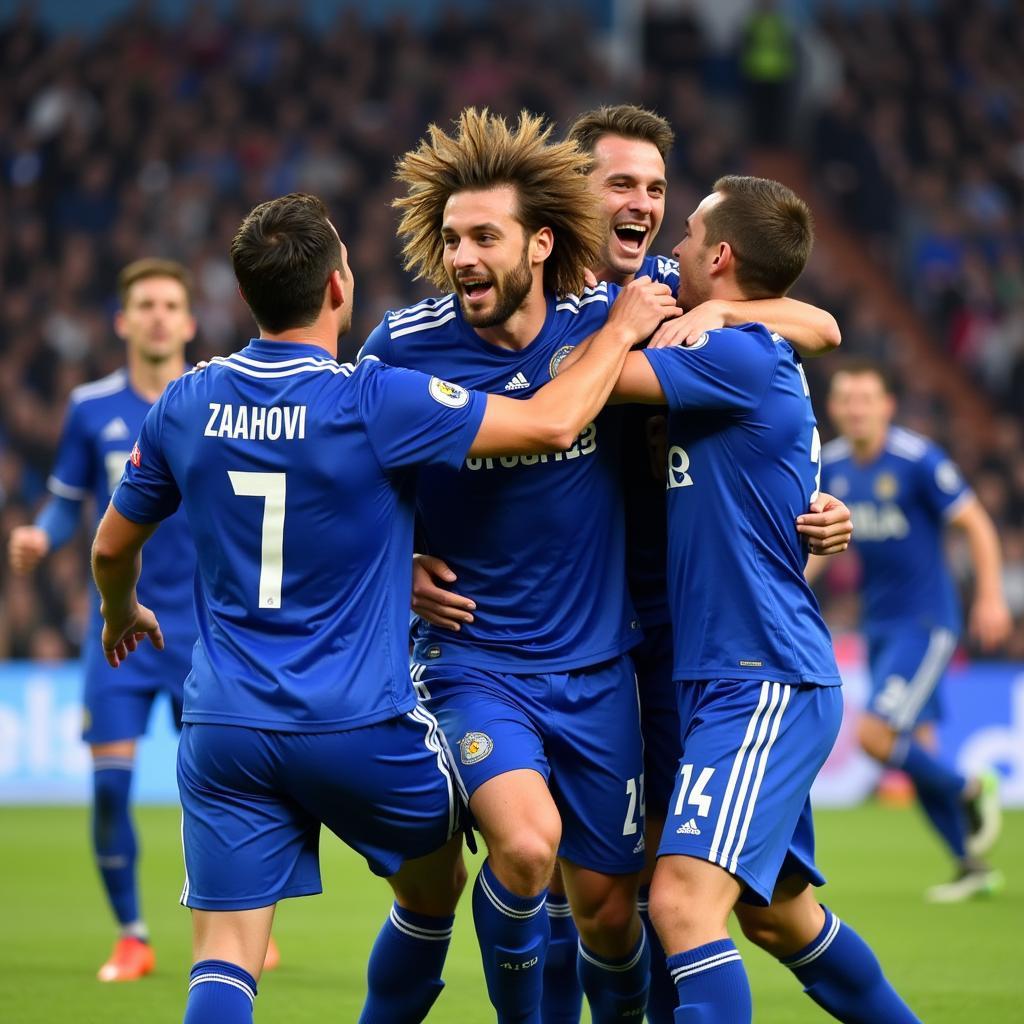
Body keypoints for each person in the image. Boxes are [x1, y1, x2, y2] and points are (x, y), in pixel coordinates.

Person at [90, 191, 677, 1024]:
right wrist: (619, 331)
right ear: (339, 287)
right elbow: (549, 424)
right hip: (360, 728)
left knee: (223, 962)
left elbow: (112, 548)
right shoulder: (374, 397)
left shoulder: (185, 401)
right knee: (437, 889)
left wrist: (121, 613)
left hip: (222, 726)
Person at [368, 107, 847, 1024]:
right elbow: (358, 471)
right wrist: (401, 563)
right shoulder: (412, 339)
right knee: (540, 862)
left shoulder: (660, 293)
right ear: (567, 205)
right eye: (621, 183)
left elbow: (812, 324)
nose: (642, 206)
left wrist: (706, 311)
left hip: (640, 650)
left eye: (658, 190)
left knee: (648, 907)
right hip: (500, 645)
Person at [575, 175, 921, 1023]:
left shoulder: (733, 354)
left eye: (689, 232)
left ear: (721, 256)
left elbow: (592, 380)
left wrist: (632, 323)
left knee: (683, 906)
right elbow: (814, 322)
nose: (676, 245)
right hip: (726, 674)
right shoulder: (735, 340)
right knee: (777, 917)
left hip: (757, 675)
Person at [6, 259, 211, 982]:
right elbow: (68, 500)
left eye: (170, 305)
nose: (158, 316)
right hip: (119, 630)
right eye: (145, 305)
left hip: (203, 633)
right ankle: (132, 934)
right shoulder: (92, 408)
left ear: (189, 322)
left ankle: (232, 919)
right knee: (109, 789)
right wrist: (42, 532)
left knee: (221, 789)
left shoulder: (214, 401)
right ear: (123, 323)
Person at [809, 361, 1010, 901]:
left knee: (876, 737)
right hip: (880, 623)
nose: (855, 408)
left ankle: (970, 787)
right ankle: (970, 865)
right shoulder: (831, 464)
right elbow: (825, 547)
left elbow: (976, 524)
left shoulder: (918, 460)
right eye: (847, 399)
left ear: (886, 406)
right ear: (834, 408)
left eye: (866, 399)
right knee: (917, 746)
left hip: (926, 622)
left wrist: (990, 595)